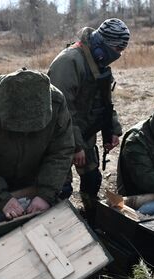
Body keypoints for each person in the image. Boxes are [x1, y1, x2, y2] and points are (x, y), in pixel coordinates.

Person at [0, 69, 74, 219]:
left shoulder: (56, 102)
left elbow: (61, 151)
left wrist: (46, 194)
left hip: (37, 183)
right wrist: (0, 198)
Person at [48, 18, 130, 225]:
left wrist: (113, 129)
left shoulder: (98, 62)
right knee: (60, 189)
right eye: (116, 49)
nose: (117, 55)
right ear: (102, 44)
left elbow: (104, 101)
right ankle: (59, 226)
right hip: (60, 137)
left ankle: (91, 222)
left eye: (121, 50)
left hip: (85, 134)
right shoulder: (69, 62)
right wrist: (76, 146)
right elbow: (61, 109)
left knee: (92, 180)